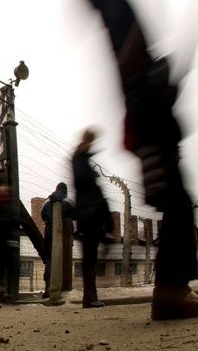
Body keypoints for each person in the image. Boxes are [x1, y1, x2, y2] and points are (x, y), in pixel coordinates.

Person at [79, 0, 198, 320]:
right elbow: (125, 40)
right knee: (175, 202)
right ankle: (171, 291)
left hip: (154, 123)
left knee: (178, 202)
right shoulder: (127, 40)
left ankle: (173, 288)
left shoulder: (137, 56)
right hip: (150, 124)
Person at [71, 129, 113, 309]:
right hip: (90, 214)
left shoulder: (81, 159)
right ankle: (89, 297)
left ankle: (90, 297)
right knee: (90, 258)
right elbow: (81, 180)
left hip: (90, 214)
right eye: (91, 141)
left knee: (90, 257)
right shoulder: (80, 159)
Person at [40, 182, 75, 299]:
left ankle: (48, 288)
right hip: (64, 236)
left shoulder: (46, 202)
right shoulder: (69, 201)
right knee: (64, 260)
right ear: (65, 191)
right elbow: (75, 215)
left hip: (49, 233)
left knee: (49, 260)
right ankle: (63, 288)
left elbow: (42, 216)